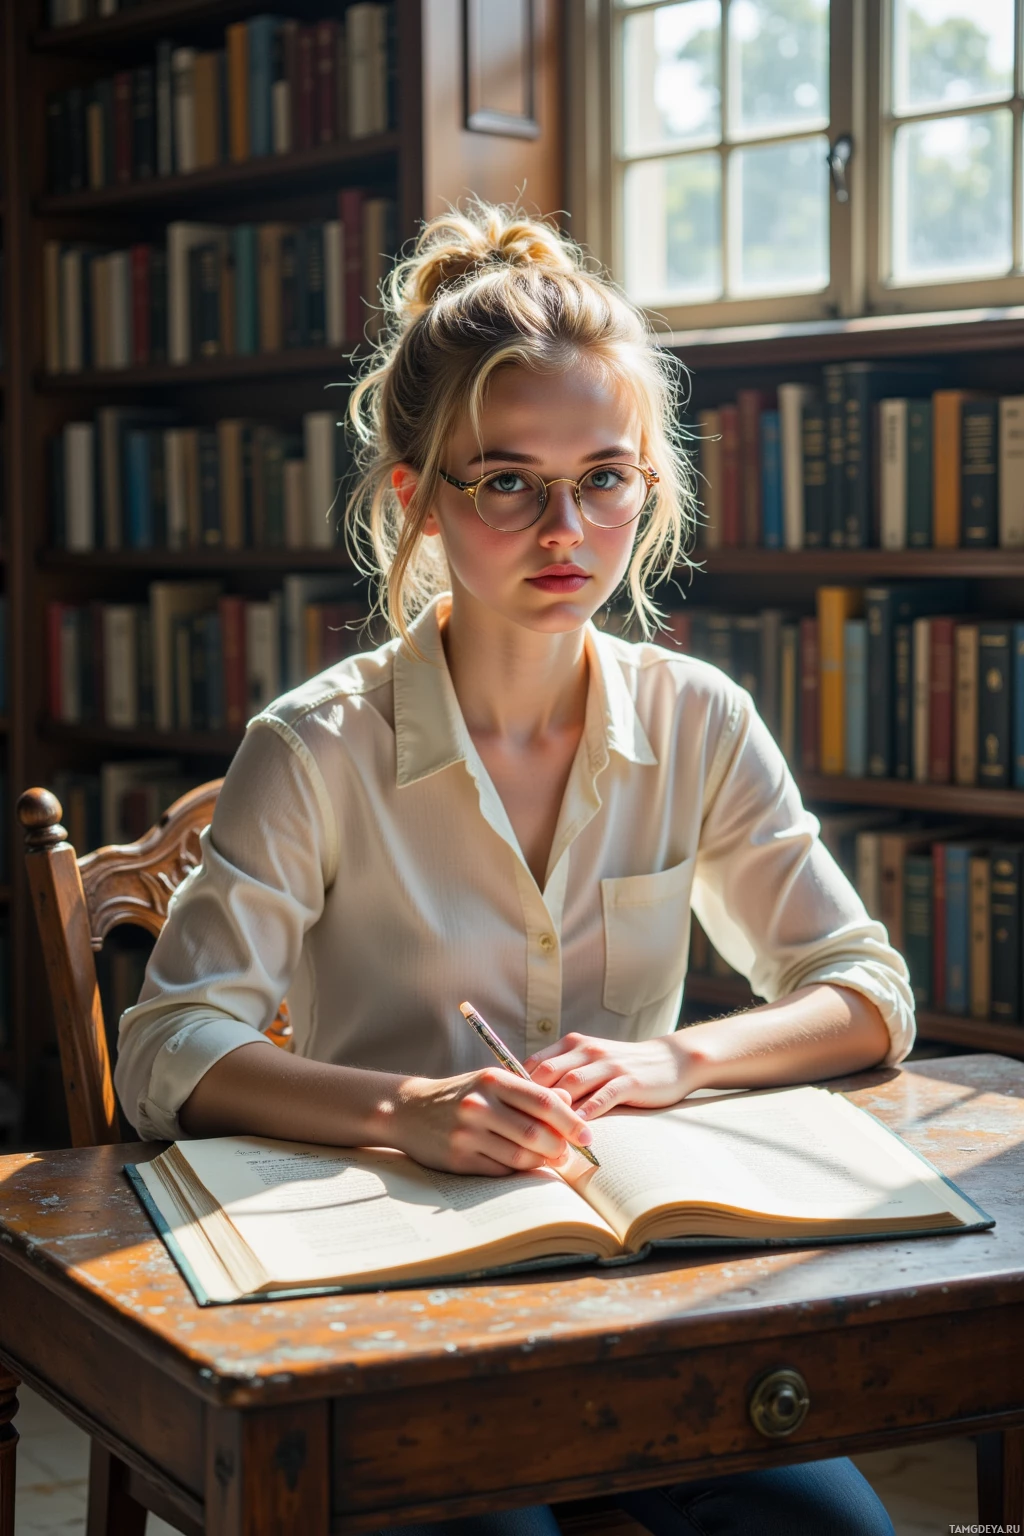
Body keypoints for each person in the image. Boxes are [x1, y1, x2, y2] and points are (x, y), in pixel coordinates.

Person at [115, 202, 911, 1536]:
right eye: (507, 481)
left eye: (604, 477)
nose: (566, 526)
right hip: (387, 1291)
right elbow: (171, 1051)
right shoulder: (313, 747)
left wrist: (677, 1062)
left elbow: (864, 987)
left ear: (649, 487)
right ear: (414, 498)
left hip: (639, 1296)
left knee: (840, 1533)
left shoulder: (697, 719)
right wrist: (409, 1107)